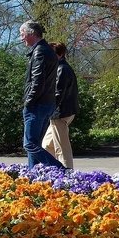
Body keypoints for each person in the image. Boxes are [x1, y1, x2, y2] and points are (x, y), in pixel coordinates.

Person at [19, 21, 64, 169]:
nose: (21, 38)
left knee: (30, 144)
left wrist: (29, 102)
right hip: (46, 103)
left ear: (31, 33)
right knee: (35, 144)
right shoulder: (47, 50)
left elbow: (37, 81)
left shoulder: (40, 52)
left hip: (37, 105)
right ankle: (33, 175)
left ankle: (59, 169)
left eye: (22, 34)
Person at [41, 42, 79, 170]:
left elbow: (58, 93)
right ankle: (51, 169)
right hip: (61, 112)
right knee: (47, 145)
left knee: (61, 147)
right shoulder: (61, 68)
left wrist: (48, 109)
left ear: (60, 54)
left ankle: (67, 171)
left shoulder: (61, 69)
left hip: (60, 113)